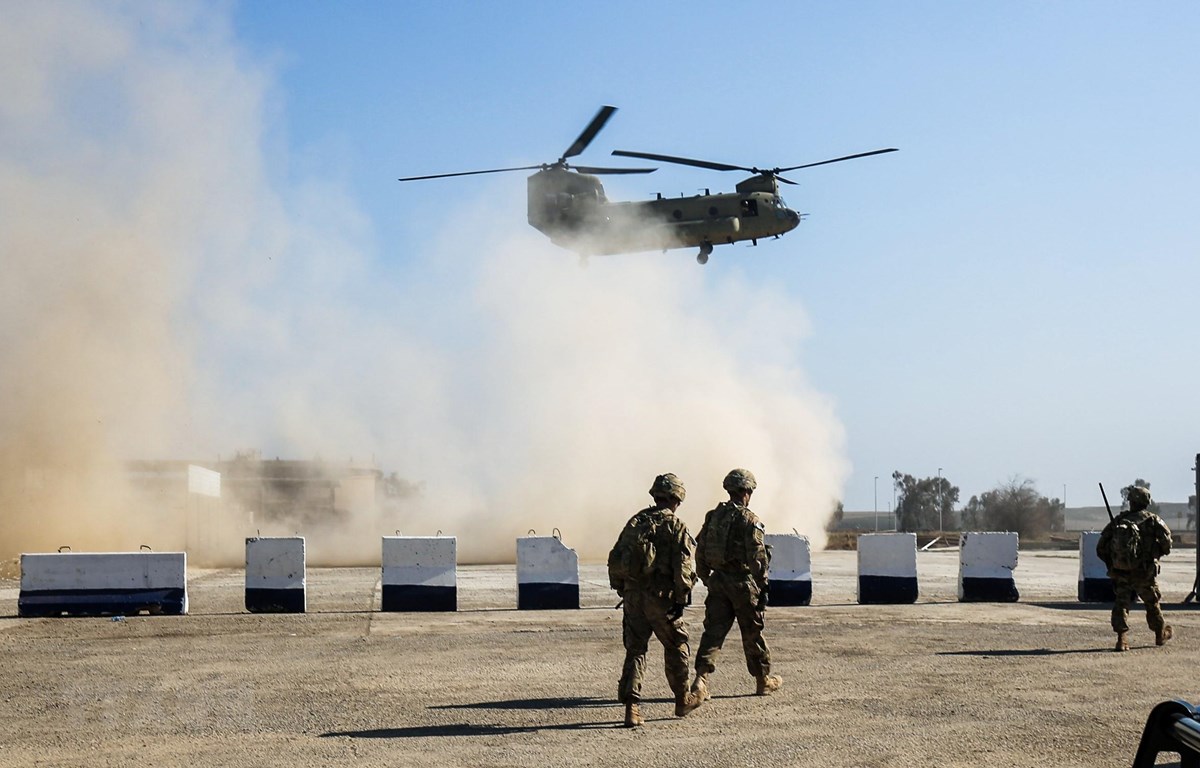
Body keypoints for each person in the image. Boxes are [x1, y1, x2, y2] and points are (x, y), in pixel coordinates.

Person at [607, 473, 703, 727]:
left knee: (636, 650)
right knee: (676, 645)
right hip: (661, 599)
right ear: (676, 498)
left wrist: (623, 590)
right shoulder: (676, 526)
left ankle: (632, 708)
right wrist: (681, 598)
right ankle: (683, 699)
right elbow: (683, 570)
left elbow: (616, 558)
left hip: (633, 597)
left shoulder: (636, 521)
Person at [690, 468, 782, 699]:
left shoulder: (713, 516)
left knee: (713, 633)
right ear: (746, 491)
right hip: (742, 584)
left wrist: (706, 577)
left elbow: (699, 550)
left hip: (718, 582)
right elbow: (757, 557)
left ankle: (700, 681)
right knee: (752, 633)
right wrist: (763, 585)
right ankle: (763, 681)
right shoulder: (750, 520)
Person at [1096, 485, 1173, 652]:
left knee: (1121, 604)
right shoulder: (1153, 520)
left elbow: (1100, 548)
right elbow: (1167, 545)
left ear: (1130, 501)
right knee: (1152, 602)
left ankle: (1121, 639)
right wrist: (1156, 553)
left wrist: (1115, 563)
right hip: (1145, 571)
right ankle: (1159, 634)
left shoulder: (1119, 521)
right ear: (1146, 501)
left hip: (1122, 572)